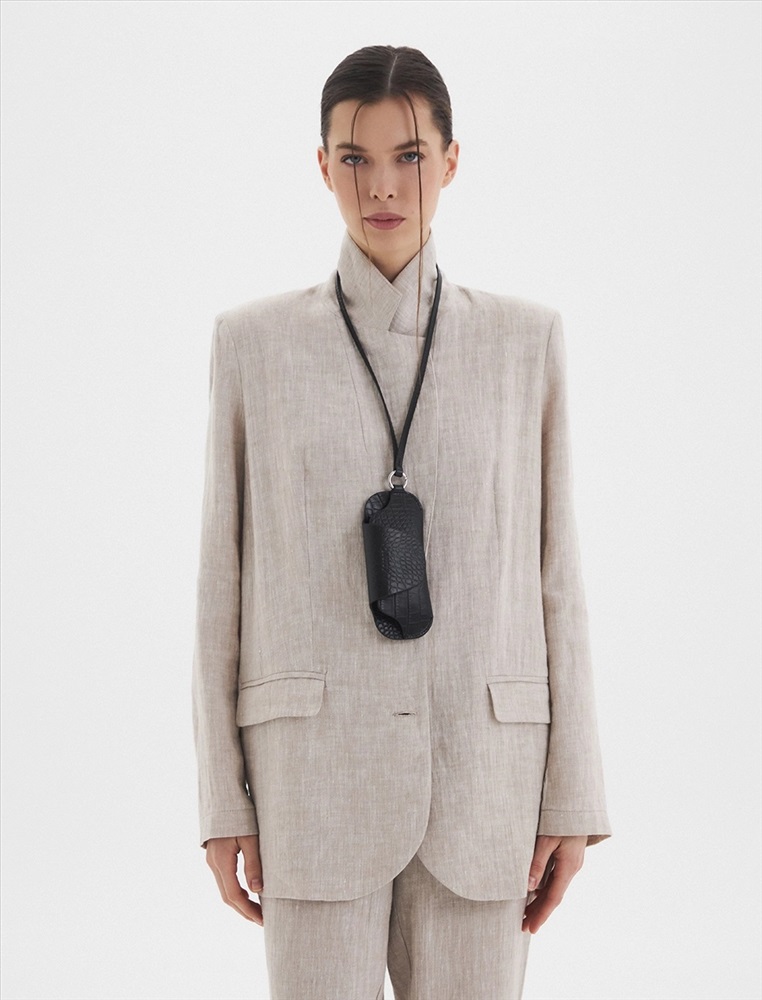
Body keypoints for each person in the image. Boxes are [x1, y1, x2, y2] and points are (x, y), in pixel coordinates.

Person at [192, 44, 612, 1000]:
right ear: (322, 165)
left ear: (451, 161)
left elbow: (558, 578)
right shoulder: (253, 345)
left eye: (409, 155)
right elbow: (222, 581)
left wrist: (573, 795)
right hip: (311, 784)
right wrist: (222, 799)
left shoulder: (524, 342)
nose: (381, 185)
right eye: (355, 157)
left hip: (487, 782)